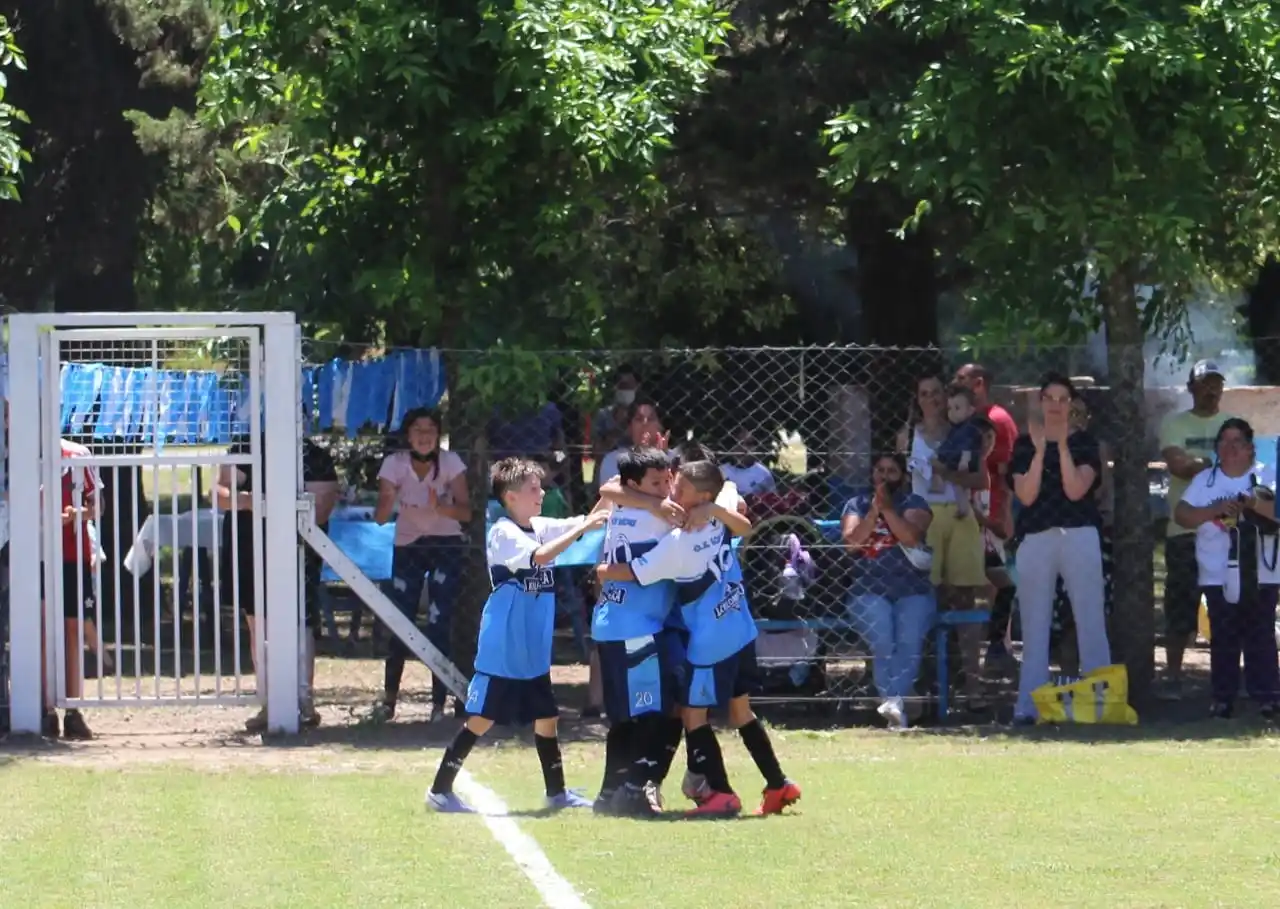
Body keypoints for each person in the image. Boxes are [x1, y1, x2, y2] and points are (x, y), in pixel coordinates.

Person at [597, 460, 800, 818]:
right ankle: (778, 784)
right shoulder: (718, 514)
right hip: (740, 628)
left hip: (710, 641)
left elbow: (630, 572)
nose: (673, 491)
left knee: (692, 714)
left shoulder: (678, 543)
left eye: (681, 488)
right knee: (741, 711)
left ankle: (721, 793)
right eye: (670, 483)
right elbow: (742, 517)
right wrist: (712, 507)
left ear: (702, 495)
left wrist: (600, 571)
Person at [425, 458, 609, 813]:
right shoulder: (503, 532)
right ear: (510, 497)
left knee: (547, 717)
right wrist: (581, 528)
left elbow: (587, 523)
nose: (542, 493)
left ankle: (557, 793)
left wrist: (614, 492)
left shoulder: (538, 524)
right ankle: (439, 791)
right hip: (506, 641)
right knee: (481, 718)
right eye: (533, 489)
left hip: (532, 642)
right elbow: (540, 557)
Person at [1009, 373, 1111, 724]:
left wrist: (1062, 446)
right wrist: (1040, 453)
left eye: (1062, 399)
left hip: (1080, 535)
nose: (1055, 405)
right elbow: (1026, 495)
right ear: (1040, 402)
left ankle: (1100, 704)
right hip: (1036, 538)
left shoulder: (1085, 443)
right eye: (1049, 398)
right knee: (1035, 626)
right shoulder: (1023, 445)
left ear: (1072, 405)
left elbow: (1075, 490)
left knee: (1090, 620)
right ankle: (1029, 706)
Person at [589, 446, 680, 811]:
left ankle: (608, 792)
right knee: (651, 713)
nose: (666, 488)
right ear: (635, 485)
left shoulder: (621, 509)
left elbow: (610, 487)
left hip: (609, 624)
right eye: (657, 483)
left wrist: (650, 496)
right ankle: (633, 789)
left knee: (623, 716)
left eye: (668, 480)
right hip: (636, 628)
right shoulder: (660, 517)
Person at [1173, 418, 1280, 719]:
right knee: (1224, 635)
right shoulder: (1205, 480)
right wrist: (1215, 510)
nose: (1229, 448)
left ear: (1250, 448)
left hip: (1263, 571)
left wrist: (1250, 503)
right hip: (1217, 571)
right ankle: (1223, 698)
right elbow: (1182, 515)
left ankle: (1267, 697)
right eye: (1224, 441)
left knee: (1260, 633)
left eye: (1237, 442)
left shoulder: (1267, 475)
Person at [370, 409, 471, 723]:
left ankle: (441, 701)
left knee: (441, 621)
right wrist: (389, 495)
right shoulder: (394, 464)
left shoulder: (451, 462)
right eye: (417, 429)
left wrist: (441, 507)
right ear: (407, 434)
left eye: (431, 429)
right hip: (409, 545)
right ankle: (389, 700)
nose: (424, 435)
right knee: (401, 619)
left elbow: (467, 513)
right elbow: (381, 517)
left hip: (445, 545)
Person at [900, 375, 987, 708]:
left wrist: (946, 472)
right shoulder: (908, 435)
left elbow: (980, 477)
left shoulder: (962, 429)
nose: (932, 400)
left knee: (965, 598)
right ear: (917, 399)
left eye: (937, 393)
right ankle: (928, 683)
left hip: (961, 515)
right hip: (924, 517)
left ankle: (973, 686)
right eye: (924, 394)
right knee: (926, 598)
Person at [841, 452, 936, 730]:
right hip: (867, 589)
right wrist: (873, 512)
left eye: (891, 471)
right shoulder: (856, 504)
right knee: (882, 639)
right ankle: (896, 703)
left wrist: (888, 510)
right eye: (879, 470)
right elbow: (851, 544)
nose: (884, 476)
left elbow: (910, 536)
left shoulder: (915, 503)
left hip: (912, 589)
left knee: (909, 640)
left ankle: (893, 705)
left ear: (903, 477)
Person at [1158, 359, 1234, 699]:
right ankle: (1173, 676)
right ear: (1191, 388)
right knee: (1180, 605)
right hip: (1184, 530)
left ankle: (1229, 678)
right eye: (1204, 382)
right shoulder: (1174, 424)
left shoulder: (1234, 426)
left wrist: (1204, 465)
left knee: (1228, 606)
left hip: (1226, 531)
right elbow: (1180, 465)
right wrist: (1210, 464)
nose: (1211, 389)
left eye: (1216, 382)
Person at [953, 363, 1019, 669]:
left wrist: (1003, 514)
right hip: (960, 515)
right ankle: (964, 655)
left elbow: (1007, 472)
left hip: (989, 511)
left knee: (995, 584)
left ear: (979, 383)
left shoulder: (996, 420)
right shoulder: (958, 421)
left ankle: (999, 646)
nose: (955, 382)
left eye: (962, 379)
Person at [932, 383, 985, 517]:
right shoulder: (955, 429)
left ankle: (964, 507)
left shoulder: (970, 429)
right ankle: (940, 494)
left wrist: (964, 461)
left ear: (970, 410)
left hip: (962, 461)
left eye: (957, 408)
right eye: (949, 408)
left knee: (961, 486)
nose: (952, 413)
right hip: (951, 456)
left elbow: (969, 446)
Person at [597, 399, 669, 490]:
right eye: (639, 419)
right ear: (630, 428)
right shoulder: (613, 460)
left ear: (660, 426)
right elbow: (613, 496)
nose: (645, 423)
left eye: (651, 419)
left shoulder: (674, 459)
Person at [721, 427, 777, 496]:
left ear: (756, 448)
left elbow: (773, 499)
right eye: (739, 443)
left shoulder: (762, 473)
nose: (743, 448)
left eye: (749, 444)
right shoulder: (721, 471)